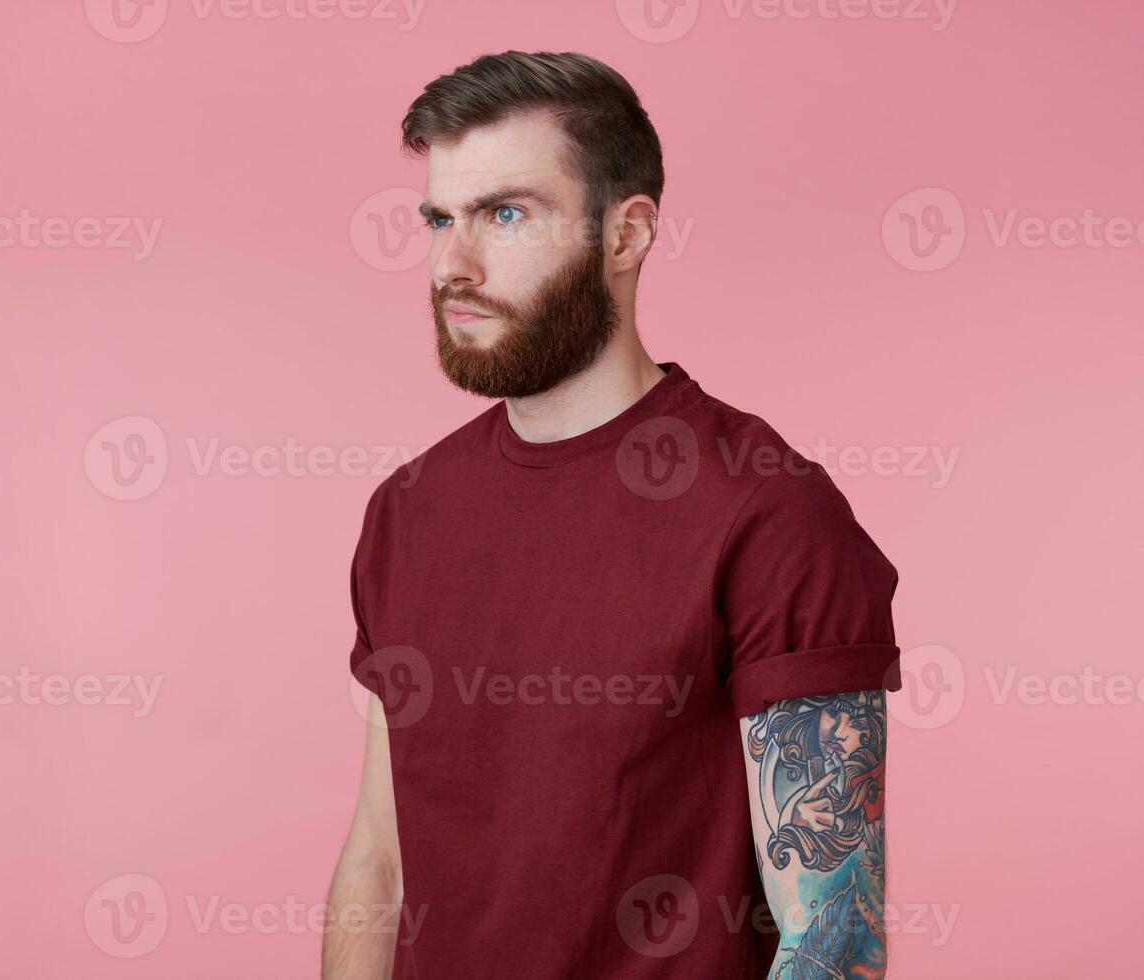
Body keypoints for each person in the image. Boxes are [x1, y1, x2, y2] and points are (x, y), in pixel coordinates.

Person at [322, 51, 900, 979]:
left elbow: (833, 939)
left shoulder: (768, 511)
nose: (450, 265)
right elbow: (378, 863)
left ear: (626, 235)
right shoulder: (406, 512)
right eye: (440, 218)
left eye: (505, 214)